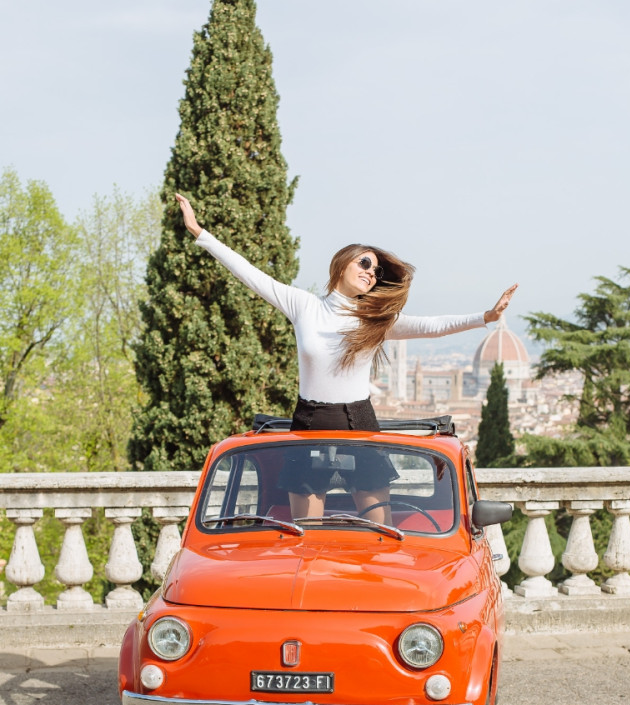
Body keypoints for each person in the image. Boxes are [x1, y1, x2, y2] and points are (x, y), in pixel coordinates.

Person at [175, 193, 517, 522]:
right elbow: (249, 273)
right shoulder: (304, 305)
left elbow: (432, 326)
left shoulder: (374, 320)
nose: (371, 272)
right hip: (308, 423)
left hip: (359, 422)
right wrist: (199, 233)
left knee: (379, 527)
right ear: (341, 264)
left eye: (376, 271)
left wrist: (485, 316)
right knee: (305, 532)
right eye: (364, 263)